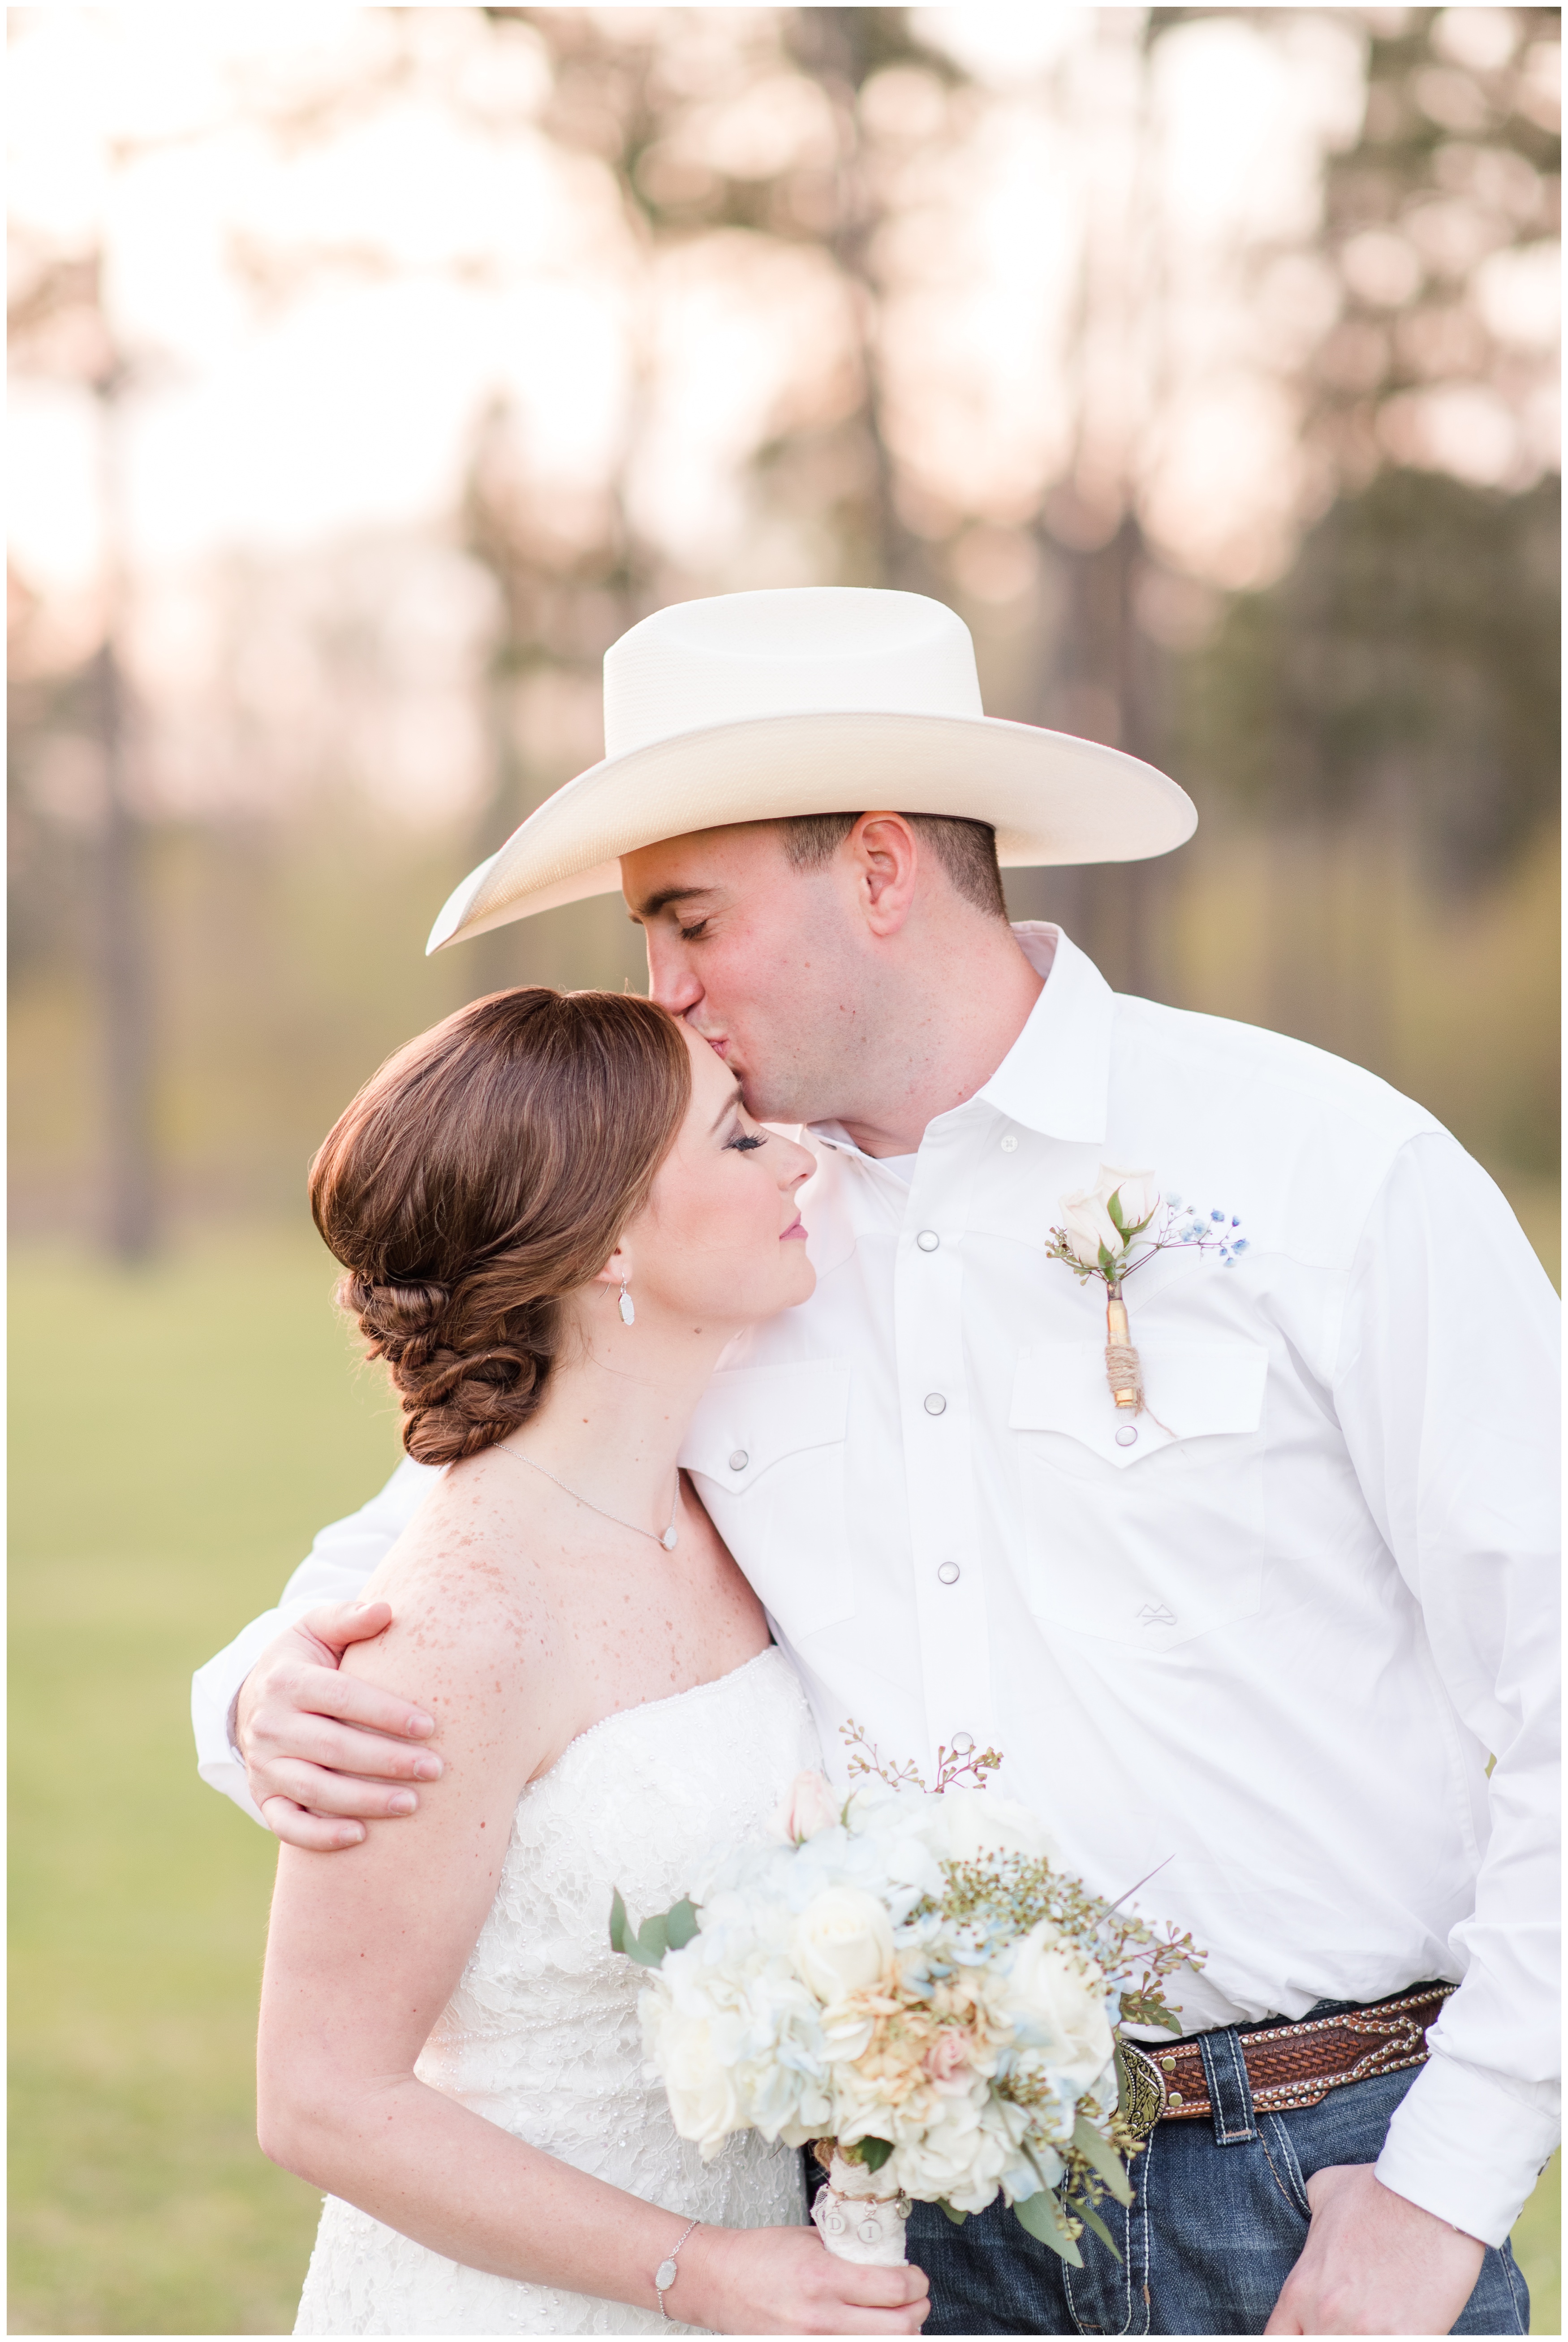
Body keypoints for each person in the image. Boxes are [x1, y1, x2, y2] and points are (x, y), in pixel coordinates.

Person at [197, 587, 1558, 2337]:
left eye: (688, 918)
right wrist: (257, 1698)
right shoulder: (718, 1235)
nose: (661, 991)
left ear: (881, 869)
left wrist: (1443, 2186)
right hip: (903, 2219)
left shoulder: (1319, 1168)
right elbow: (426, 1554)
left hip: (1316, 2178)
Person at [257, 983, 932, 2337]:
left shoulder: (722, 1515)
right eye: (739, 1138)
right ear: (610, 1237)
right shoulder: (455, 1621)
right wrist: (696, 2269)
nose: (800, 1155)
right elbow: (321, 2097)